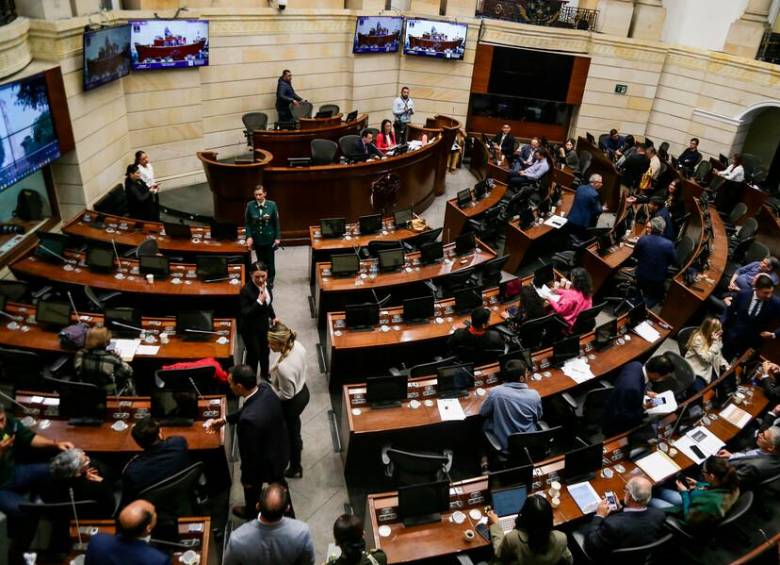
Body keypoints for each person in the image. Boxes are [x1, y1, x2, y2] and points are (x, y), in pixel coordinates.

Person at [206, 365, 289, 519]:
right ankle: (286, 509)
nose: (229, 386)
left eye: (230, 383)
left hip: (265, 461)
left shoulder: (248, 422)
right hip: (280, 448)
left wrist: (247, 479)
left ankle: (252, 512)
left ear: (239, 386)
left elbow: (249, 456)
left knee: (252, 488)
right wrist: (225, 420)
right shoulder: (265, 389)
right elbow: (248, 408)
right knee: (279, 482)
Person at [0, 403, 74, 518]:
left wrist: (55, 444)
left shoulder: (10, 422)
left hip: (13, 472)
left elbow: (30, 438)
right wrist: (1, 452)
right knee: (26, 510)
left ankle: (38, 494)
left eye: (1, 420)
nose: (1, 426)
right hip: (1, 487)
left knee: (54, 469)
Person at [223, 483, 315, 565]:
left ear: (257, 506)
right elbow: (308, 562)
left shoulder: (237, 539)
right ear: (287, 508)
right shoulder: (302, 532)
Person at [578, 476, 665, 559]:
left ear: (630, 496)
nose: (625, 491)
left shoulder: (612, 524)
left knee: (581, 527)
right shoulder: (659, 514)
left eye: (626, 489)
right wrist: (621, 509)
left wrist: (599, 515)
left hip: (608, 558)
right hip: (639, 556)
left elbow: (591, 545)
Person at [649, 456, 740, 530]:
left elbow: (688, 518)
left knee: (650, 500)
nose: (702, 473)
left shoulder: (712, 504)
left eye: (704, 472)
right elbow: (712, 487)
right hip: (696, 506)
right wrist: (698, 484)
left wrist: (684, 493)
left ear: (712, 476)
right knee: (660, 491)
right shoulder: (732, 485)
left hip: (687, 518)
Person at [267, 322, 309, 479]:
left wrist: (272, 391)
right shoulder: (297, 345)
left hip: (292, 402)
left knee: (290, 435)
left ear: (280, 343)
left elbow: (286, 395)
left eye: (271, 342)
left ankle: (295, 466)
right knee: (294, 425)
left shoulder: (284, 368)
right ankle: (298, 441)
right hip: (303, 391)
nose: (269, 345)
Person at [122, 417, 192, 504]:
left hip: (152, 503)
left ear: (138, 443)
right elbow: (173, 440)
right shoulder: (179, 444)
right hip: (180, 494)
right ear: (160, 433)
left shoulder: (132, 470)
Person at [487, 494, 573, 565]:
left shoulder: (513, 538)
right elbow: (569, 560)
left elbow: (499, 553)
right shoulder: (561, 538)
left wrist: (495, 525)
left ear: (524, 516)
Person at [480, 358, 542, 454]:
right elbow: (538, 417)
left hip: (506, 446)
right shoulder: (534, 395)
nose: (528, 375)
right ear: (521, 378)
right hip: (529, 444)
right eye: (527, 373)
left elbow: (483, 412)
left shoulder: (496, 392)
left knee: (484, 425)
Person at [602, 355, 674, 435]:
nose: (663, 379)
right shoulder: (633, 388)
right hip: (615, 424)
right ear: (656, 375)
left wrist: (646, 392)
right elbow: (623, 415)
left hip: (614, 399)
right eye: (664, 377)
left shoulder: (636, 364)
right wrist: (644, 408)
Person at [84, 499, 170, 565]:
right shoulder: (158, 560)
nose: (155, 514)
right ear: (148, 528)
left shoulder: (97, 541)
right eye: (153, 512)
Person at [721, 274, 780, 360]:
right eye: (766, 293)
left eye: (771, 292)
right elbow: (730, 311)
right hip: (733, 336)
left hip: (751, 344)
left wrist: (774, 334)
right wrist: (723, 327)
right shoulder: (743, 294)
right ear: (756, 289)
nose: (769, 296)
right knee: (721, 361)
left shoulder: (775, 303)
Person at [43, 448, 115, 517]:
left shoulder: (46, 483)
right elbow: (110, 507)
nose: (88, 459)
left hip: (59, 514)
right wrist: (104, 482)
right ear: (77, 473)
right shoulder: (96, 487)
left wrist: (83, 476)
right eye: (85, 461)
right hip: (90, 515)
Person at [239, 261, 276, 380]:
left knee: (266, 351)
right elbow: (245, 313)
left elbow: (268, 303)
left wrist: (274, 316)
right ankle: (252, 379)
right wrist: (258, 302)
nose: (260, 280)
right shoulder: (245, 290)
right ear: (250, 275)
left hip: (264, 325)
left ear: (267, 273)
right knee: (254, 354)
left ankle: (265, 374)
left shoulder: (267, 284)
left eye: (263, 276)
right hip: (250, 328)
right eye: (257, 277)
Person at [74, 326, 135, 395]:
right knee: (129, 380)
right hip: (108, 394)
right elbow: (128, 372)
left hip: (86, 393)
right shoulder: (111, 359)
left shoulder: (80, 354)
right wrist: (118, 358)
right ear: (107, 341)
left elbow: (78, 372)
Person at [632, 216, 677, 307]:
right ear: (662, 229)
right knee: (655, 296)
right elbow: (674, 261)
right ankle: (646, 308)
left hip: (641, 275)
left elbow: (635, 255)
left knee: (639, 293)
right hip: (657, 278)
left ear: (652, 228)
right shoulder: (668, 244)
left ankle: (638, 306)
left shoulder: (643, 239)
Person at [244, 185, 281, 287]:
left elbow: (276, 223)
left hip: (269, 238)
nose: (258, 197)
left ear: (265, 194)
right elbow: (247, 223)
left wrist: (277, 238)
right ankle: (262, 278)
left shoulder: (272, 205)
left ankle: (270, 280)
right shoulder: (250, 205)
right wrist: (249, 236)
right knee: (260, 261)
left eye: (260, 194)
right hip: (257, 239)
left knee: (270, 261)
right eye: (256, 195)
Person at [684, 317, 728, 392]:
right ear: (710, 330)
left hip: (708, 369)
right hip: (696, 371)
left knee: (723, 386)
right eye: (718, 329)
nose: (721, 331)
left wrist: (726, 366)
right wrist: (715, 343)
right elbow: (707, 358)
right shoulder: (698, 339)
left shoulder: (715, 339)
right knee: (702, 392)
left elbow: (719, 355)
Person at [548, 267, 593, 332]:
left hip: (568, 323)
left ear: (574, 280)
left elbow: (560, 311)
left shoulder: (570, 296)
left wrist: (550, 299)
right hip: (579, 322)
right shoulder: (588, 291)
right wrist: (558, 291)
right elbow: (574, 293)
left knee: (547, 311)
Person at [567, 174, 606, 239]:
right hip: (581, 224)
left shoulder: (580, 188)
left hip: (570, 218)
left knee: (568, 237)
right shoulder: (594, 194)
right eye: (600, 182)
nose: (601, 184)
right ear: (595, 183)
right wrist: (602, 208)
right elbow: (598, 211)